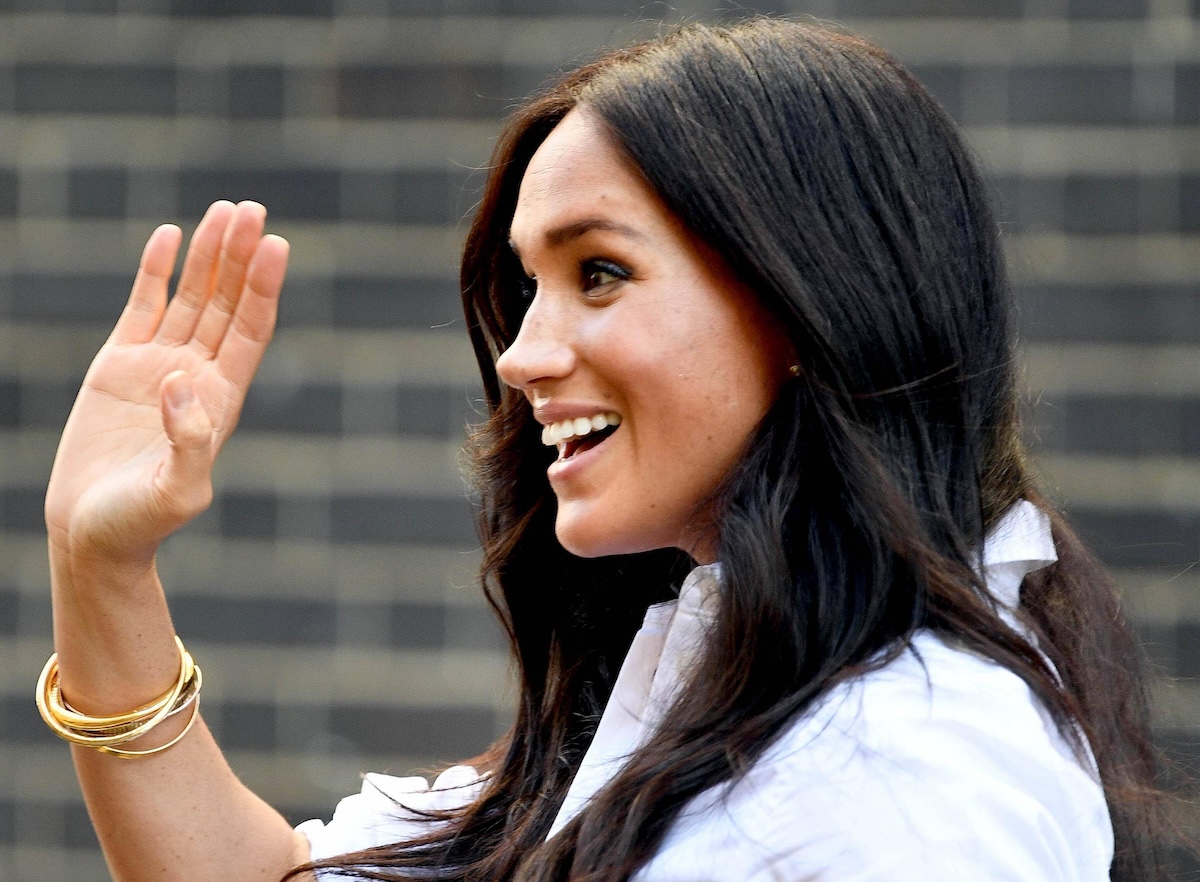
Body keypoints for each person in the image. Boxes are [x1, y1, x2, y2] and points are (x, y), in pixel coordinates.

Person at [39, 17, 1168, 882]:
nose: (524, 354)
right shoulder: (733, 678)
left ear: (807, 300)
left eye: (600, 273)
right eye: (530, 287)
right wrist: (101, 570)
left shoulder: (912, 764)